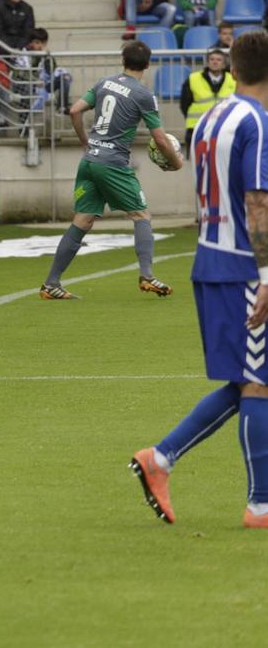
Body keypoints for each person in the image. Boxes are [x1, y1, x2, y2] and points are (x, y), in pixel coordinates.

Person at [127, 31, 268, 528]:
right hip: (242, 267)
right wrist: (267, 274)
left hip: (210, 258)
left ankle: (159, 460)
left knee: (247, 379)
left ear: (233, 67)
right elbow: (257, 200)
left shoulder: (210, 117)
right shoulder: (257, 120)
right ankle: (260, 505)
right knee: (258, 383)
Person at [40, 40, 182, 300]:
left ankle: (51, 284)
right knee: (141, 215)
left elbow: (74, 110)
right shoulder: (143, 94)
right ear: (148, 65)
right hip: (113, 163)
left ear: (122, 61)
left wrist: (85, 141)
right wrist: (177, 162)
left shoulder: (104, 83)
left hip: (90, 160)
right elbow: (160, 139)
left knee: (83, 220)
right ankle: (147, 275)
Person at [180, 47, 236, 150]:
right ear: (207, 62)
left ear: (224, 64)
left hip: (226, 127)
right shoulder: (193, 78)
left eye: (219, 60)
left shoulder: (233, 80)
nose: (215, 62)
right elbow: (184, 104)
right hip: (197, 127)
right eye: (212, 59)